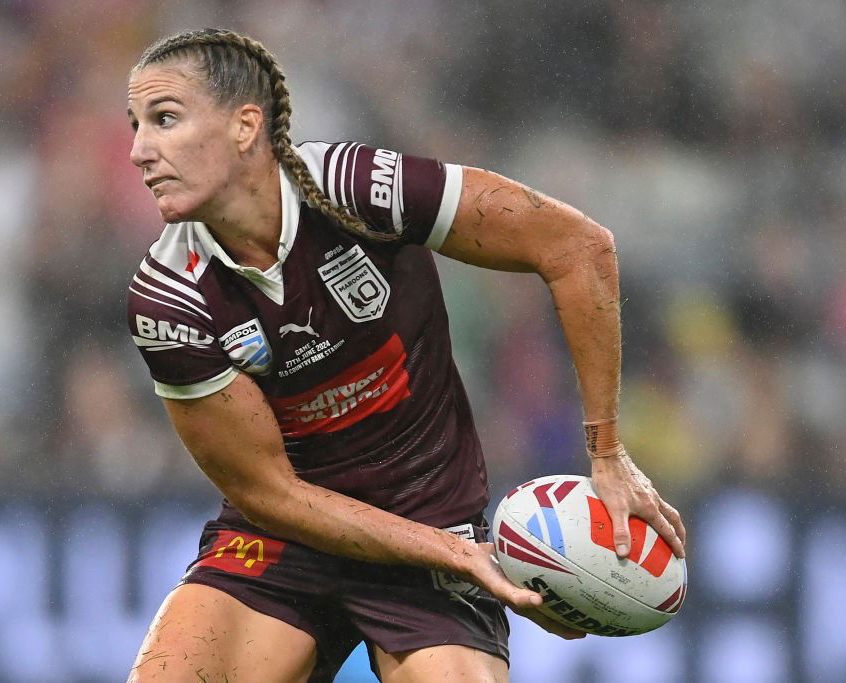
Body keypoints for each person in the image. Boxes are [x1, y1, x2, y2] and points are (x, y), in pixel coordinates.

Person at [124, 28, 687, 683]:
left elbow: (576, 247)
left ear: (245, 125)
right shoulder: (167, 298)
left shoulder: (356, 187)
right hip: (289, 538)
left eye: (164, 120)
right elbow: (271, 493)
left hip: (432, 521)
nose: (139, 151)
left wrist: (608, 451)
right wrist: (452, 551)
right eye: (135, 126)